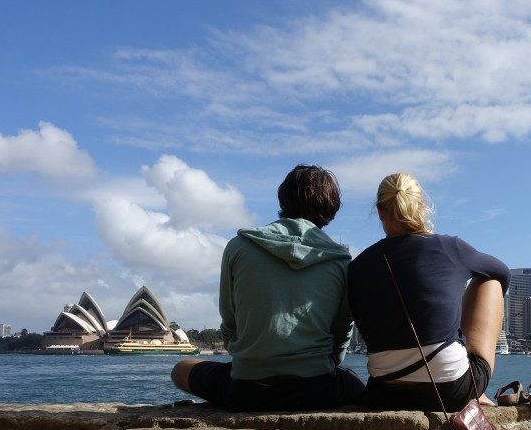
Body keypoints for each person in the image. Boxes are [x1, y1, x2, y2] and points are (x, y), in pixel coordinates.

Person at [171, 165, 364, 410]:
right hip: (316, 388)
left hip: (247, 389)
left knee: (181, 370)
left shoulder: (238, 247)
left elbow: (230, 323)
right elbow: (340, 337)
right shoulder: (341, 262)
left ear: (283, 198)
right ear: (331, 208)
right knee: (357, 386)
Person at [348, 173, 509, 411]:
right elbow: (501, 272)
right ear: (421, 206)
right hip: (452, 391)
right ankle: (476, 390)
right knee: (490, 281)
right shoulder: (449, 247)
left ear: (380, 212)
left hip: (384, 392)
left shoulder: (357, 267)